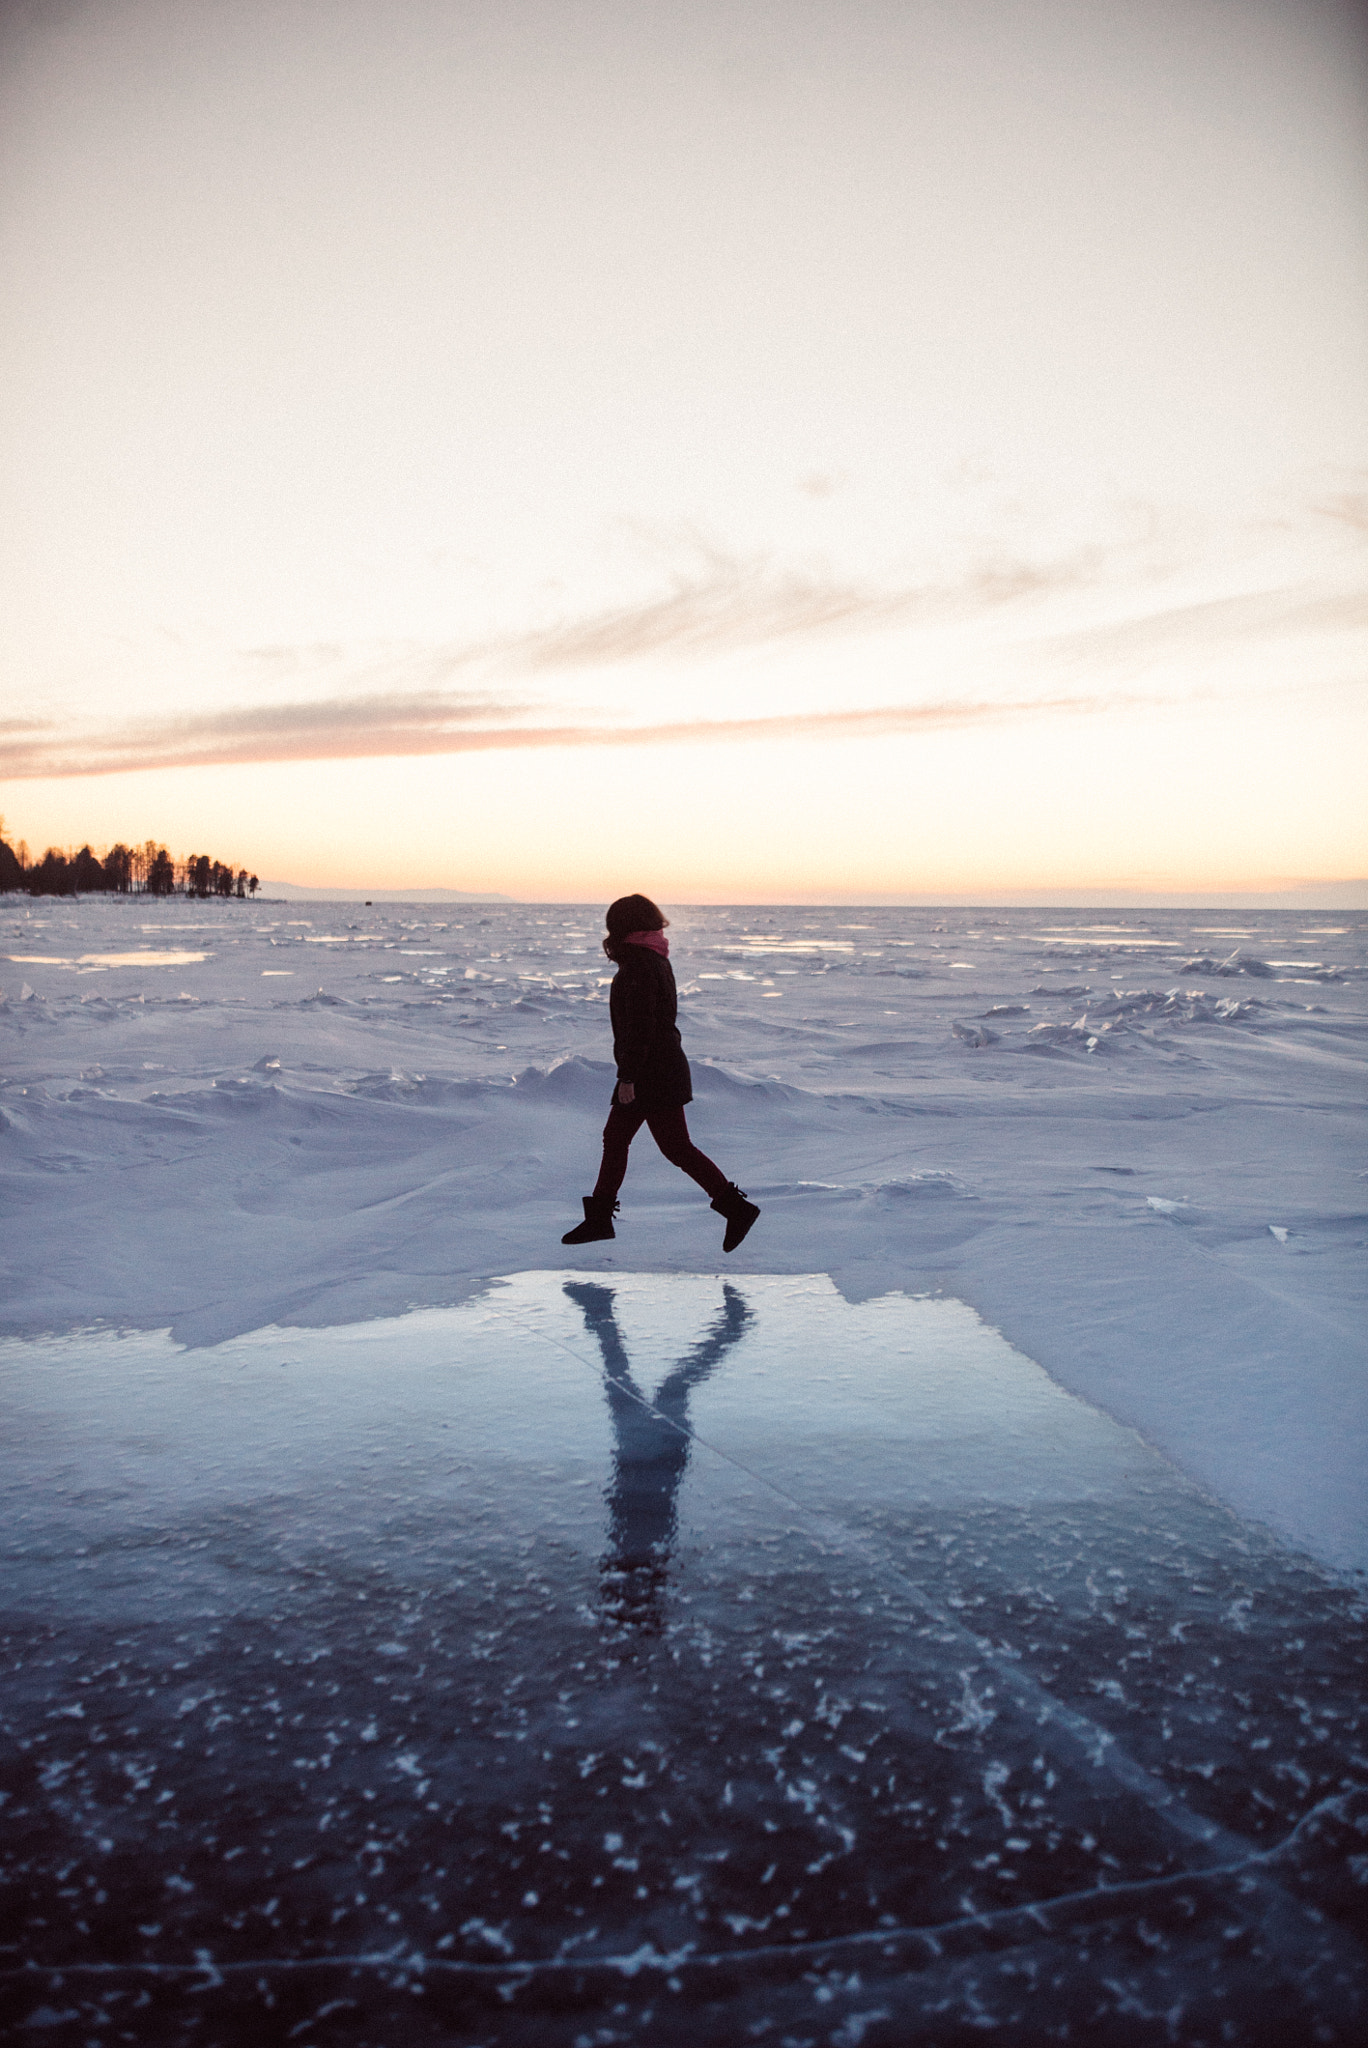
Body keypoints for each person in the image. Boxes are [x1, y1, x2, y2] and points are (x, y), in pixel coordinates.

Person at [562, 894, 760, 1252]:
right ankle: (600, 1219)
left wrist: (628, 1078)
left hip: (651, 1072)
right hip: (660, 1068)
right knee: (638, 1142)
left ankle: (736, 1209)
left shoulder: (639, 964)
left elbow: (641, 1027)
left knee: (668, 1146)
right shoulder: (654, 957)